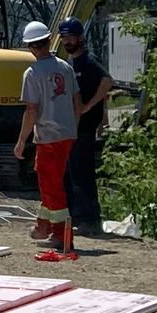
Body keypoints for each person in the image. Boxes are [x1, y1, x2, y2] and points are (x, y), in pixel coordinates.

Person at [13, 19, 79, 262]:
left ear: (30, 47)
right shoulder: (66, 67)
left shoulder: (32, 73)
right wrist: (74, 129)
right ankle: (43, 225)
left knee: (52, 186)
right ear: (49, 41)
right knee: (49, 181)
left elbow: (31, 110)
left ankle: (62, 235)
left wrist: (21, 141)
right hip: (66, 134)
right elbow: (76, 102)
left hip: (49, 135)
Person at [56, 15, 111, 238]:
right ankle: (75, 218)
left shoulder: (89, 61)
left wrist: (89, 106)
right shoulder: (69, 63)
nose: (67, 42)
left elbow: (107, 81)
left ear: (80, 38)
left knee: (82, 174)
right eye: (64, 38)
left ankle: (90, 220)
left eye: (71, 38)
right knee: (69, 175)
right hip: (71, 128)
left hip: (85, 128)